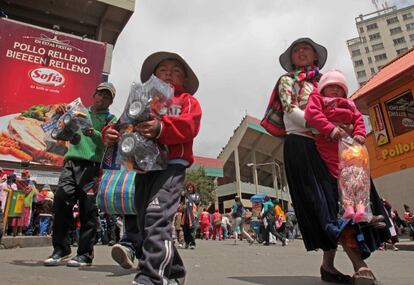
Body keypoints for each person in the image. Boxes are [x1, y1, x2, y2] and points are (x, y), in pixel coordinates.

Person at [261, 37, 389, 285]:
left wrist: (347, 130)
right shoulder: (287, 80)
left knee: (344, 200)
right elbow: (290, 110)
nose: (301, 52)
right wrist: (323, 127)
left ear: (316, 57)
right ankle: (359, 265)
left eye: (306, 48)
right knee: (328, 205)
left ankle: (327, 266)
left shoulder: (327, 83)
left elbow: (348, 110)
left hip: (333, 145)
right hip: (303, 145)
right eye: (296, 50)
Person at [103, 51, 202, 285]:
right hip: (143, 168)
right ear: (153, 76)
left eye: (176, 71)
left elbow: (190, 126)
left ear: (184, 80)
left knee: (157, 215)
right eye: (163, 70)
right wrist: (109, 134)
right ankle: (175, 271)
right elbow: (123, 125)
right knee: (143, 220)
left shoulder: (187, 100)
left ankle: (151, 277)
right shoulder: (143, 101)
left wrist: (161, 128)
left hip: (172, 166)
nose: (169, 73)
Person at [43, 82, 117, 267]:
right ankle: (61, 249)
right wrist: (60, 113)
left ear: (111, 101)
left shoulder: (111, 119)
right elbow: (57, 129)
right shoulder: (78, 111)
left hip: (93, 167)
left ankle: (84, 254)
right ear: (93, 95)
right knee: (61, 199)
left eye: (107, 96)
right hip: (71, 162)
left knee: (88, 209)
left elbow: (109, 143)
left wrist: (94, 133)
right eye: (100, 94)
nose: (102, 98)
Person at [304, 69, 373, 223]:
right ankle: (348, 207)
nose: (335, 89)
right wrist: (331, 129)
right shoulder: (318, 98)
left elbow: (358, 120)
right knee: (340, 174)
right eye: (331, 86)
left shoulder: (350, 104)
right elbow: (312, 114)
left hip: (351, 145)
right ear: (322, 88)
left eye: (339, 87)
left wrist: (360, 133)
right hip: (328, 143)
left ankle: (361, 208)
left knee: (357, 174)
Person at [181, 182, 201, 249]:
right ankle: (187, 242)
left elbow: (197, 202)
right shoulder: (184, 195)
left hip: (193, 215)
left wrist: (187, 197)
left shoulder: (196, 195)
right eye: (188, 188)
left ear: (193, 188)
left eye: (190, 188)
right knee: (185, 230)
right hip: (185, 215)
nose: (189, 189)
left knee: (192, 230)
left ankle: (192, 244)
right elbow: (181, 202)